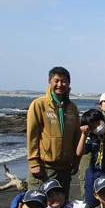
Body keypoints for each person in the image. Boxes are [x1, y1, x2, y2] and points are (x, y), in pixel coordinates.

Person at [26, 67, 81, 197]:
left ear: (68, 83)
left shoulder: (72, 108)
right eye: (56, 81)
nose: (60, 85)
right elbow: (32, 135)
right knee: (38, 204)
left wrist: (76, 161)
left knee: (60, 206)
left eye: (63, 81)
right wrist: (34, 163)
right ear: (49, 82)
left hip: (65, 168)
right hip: (44, 167)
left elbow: (76, 136)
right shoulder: (39, 104)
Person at [77, 109, 105, 208]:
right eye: (93, 127)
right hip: (95, 173)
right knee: (92, 204)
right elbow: (79, 152)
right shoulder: (92, 137)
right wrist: (84, 134)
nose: (97, 127)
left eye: (98, 123)